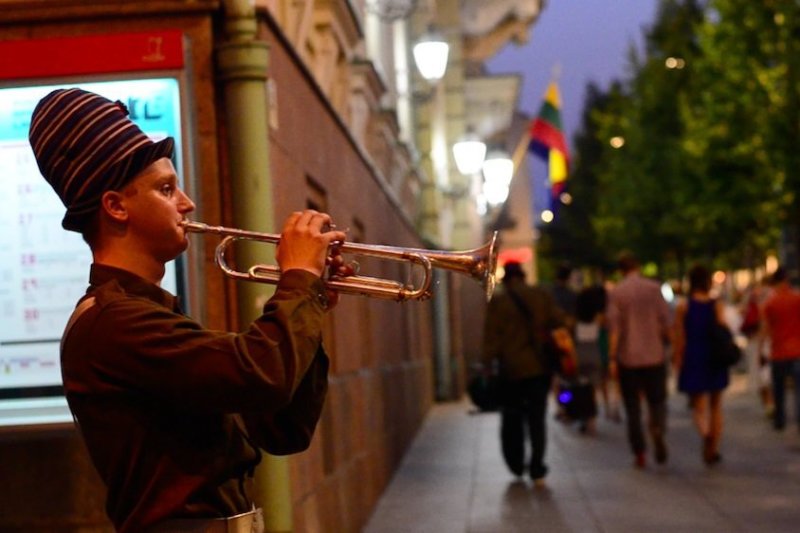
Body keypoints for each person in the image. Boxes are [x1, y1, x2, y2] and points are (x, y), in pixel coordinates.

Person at [28, 88, 349, 533]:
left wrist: (311, 300)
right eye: (165, 189)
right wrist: (298, 282)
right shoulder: (115, 323)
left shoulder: (148, 313)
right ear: (116, 206)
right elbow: (262, 374)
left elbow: (281, 430)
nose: (187, 203)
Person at [482, 261, 570, 487]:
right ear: (522, 275)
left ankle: (516, 462)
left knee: (512, 418)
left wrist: (486, 365)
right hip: (539, 368)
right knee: (537, 419)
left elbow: (491, 338)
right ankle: (537, 467)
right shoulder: (540, 295)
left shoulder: (499, 301)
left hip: (510, 370)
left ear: (506, 279)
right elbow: (559, 321)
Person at [607, 253, 672, 468]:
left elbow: (615, 330)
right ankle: (657, 428)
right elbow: (666, 322)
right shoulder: (654, 289)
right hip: (654, 355)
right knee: (657, 401)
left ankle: (639, 452)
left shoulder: (617, 293)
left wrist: (612, 359)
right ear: (639, 267)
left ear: (621, 271)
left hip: (629, 358)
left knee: (632, 407)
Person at [672, 265, 730, 465]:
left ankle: (706, 434)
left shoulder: (684, 306)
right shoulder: (716, 305)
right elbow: (724, 329)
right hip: (715, 357)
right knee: (716, 405)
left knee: (698, 406)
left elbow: (679, 336)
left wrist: (677, 358)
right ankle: (713, 448)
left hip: (694, 356)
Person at [759, 266, 800, 432]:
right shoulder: (797, 299)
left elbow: (765, 329)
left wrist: (760, 350)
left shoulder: (769, 303)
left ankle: (780, 419)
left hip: (778, 352)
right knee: (798, 390)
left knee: (779, 390)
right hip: (797, 351)